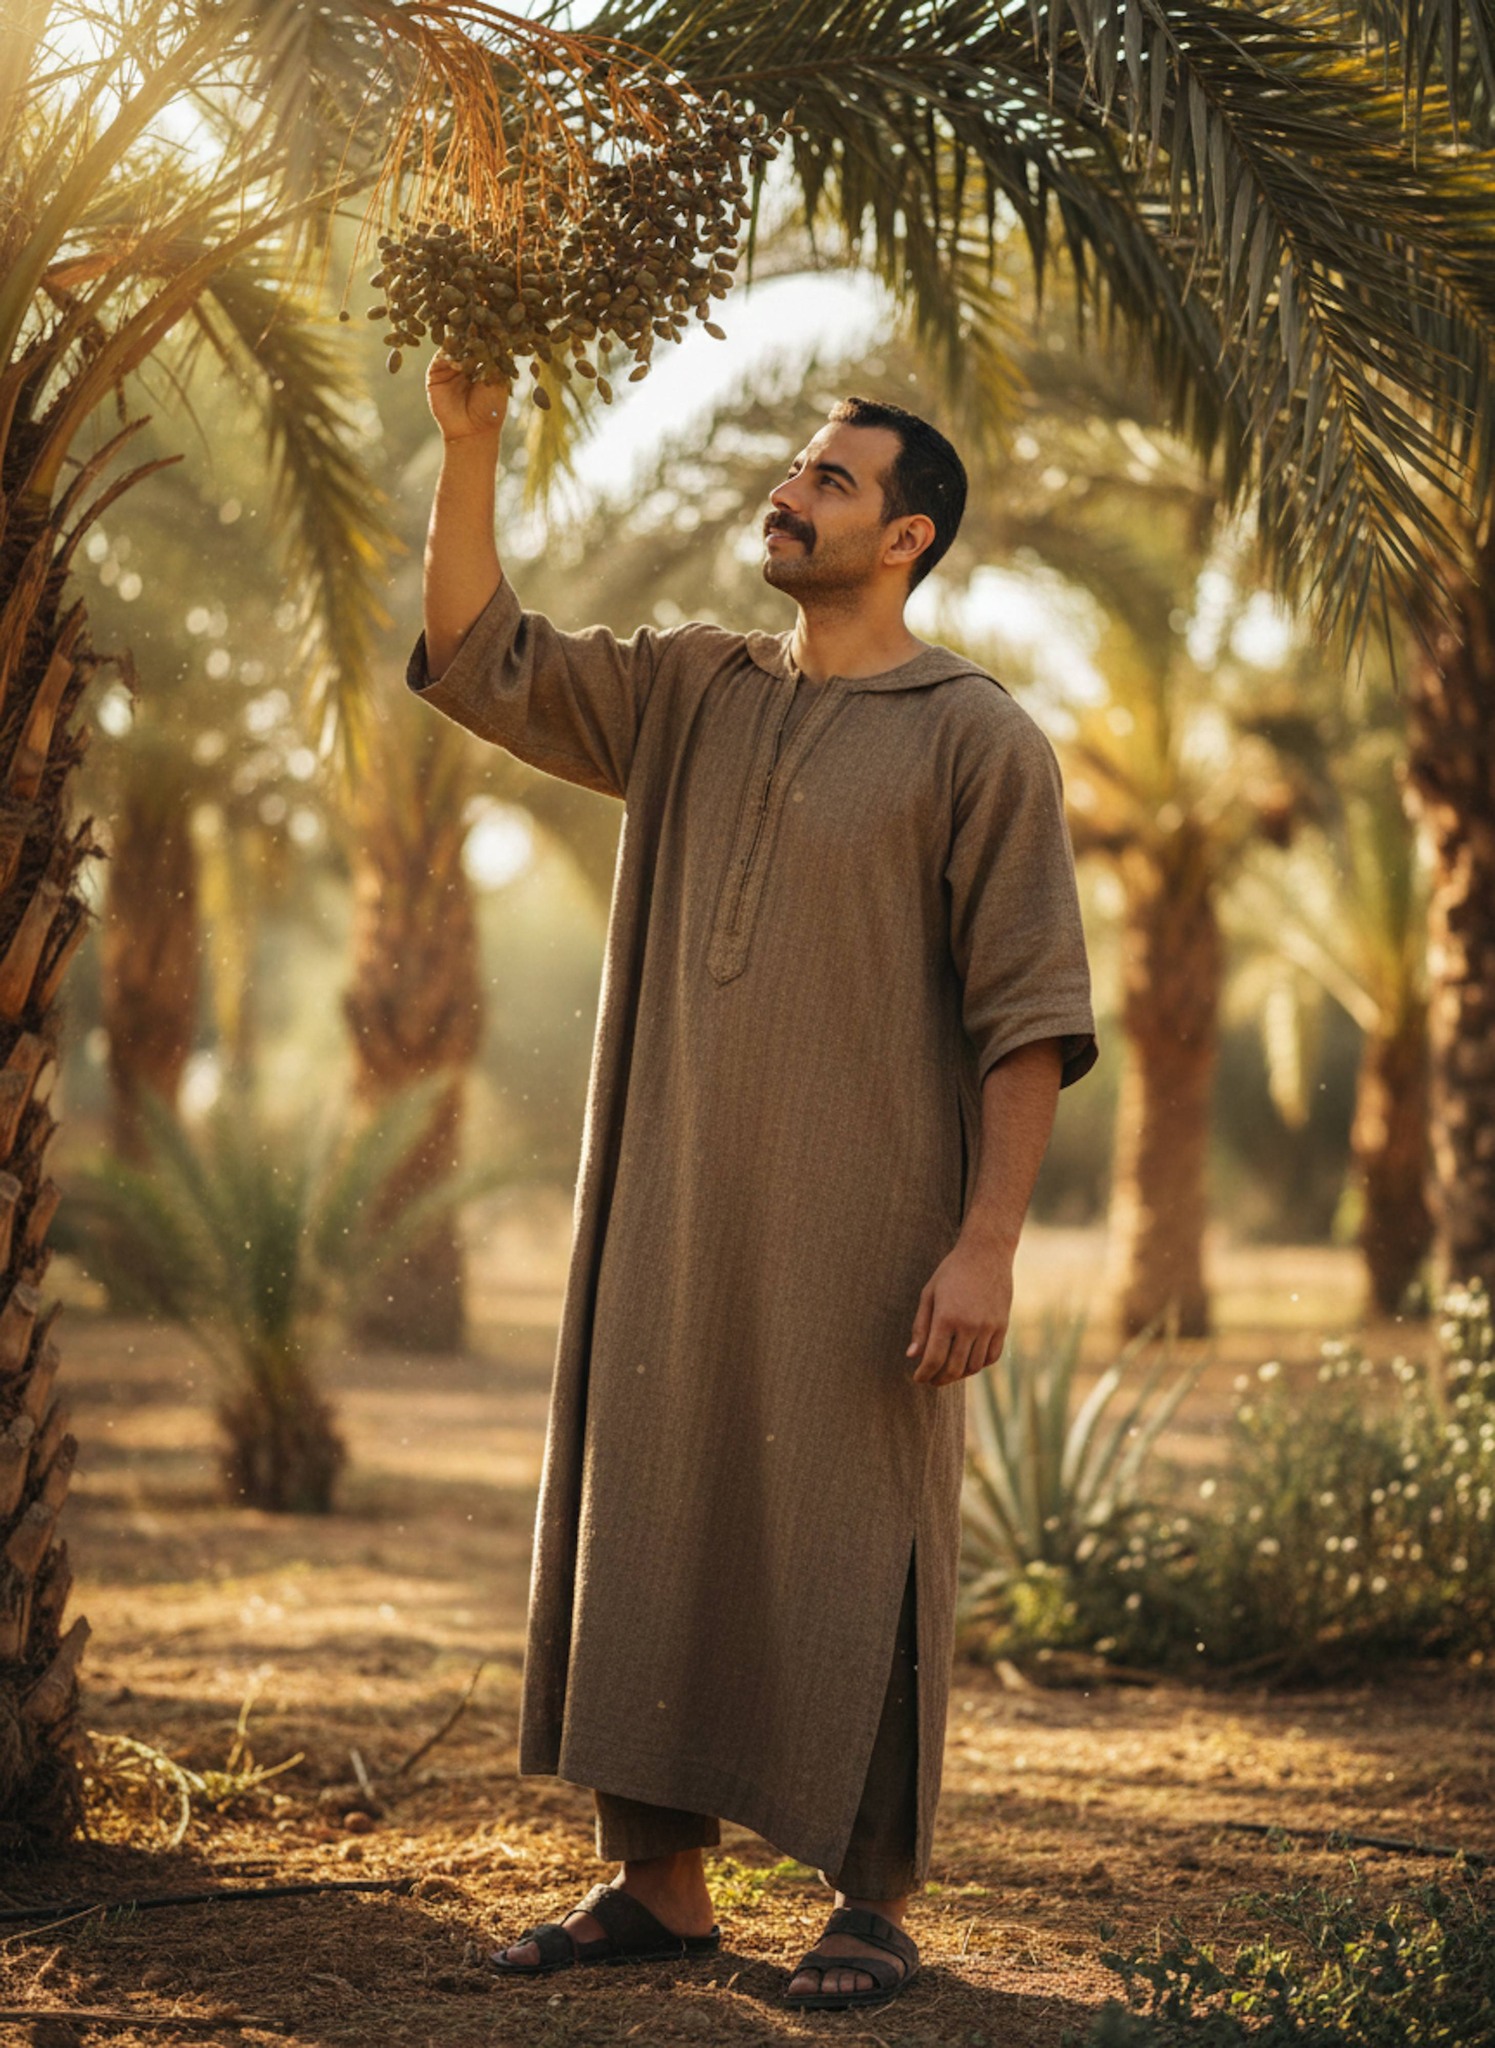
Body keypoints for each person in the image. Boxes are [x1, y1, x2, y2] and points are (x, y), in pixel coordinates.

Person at [407, 360, 1097, 2013]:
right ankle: (659, 1887)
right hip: (669, 1216)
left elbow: (1027, 1017)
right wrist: (472, 445)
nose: (788, 493)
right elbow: (483, 655)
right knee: (655, 1511)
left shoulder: (979, 738)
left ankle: (873, 1903)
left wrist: (987, 1246)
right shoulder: (691, 689)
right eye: (796, 468)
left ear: (907, 538)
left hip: (871, 1238)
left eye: (831, 482)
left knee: (868, 1545)